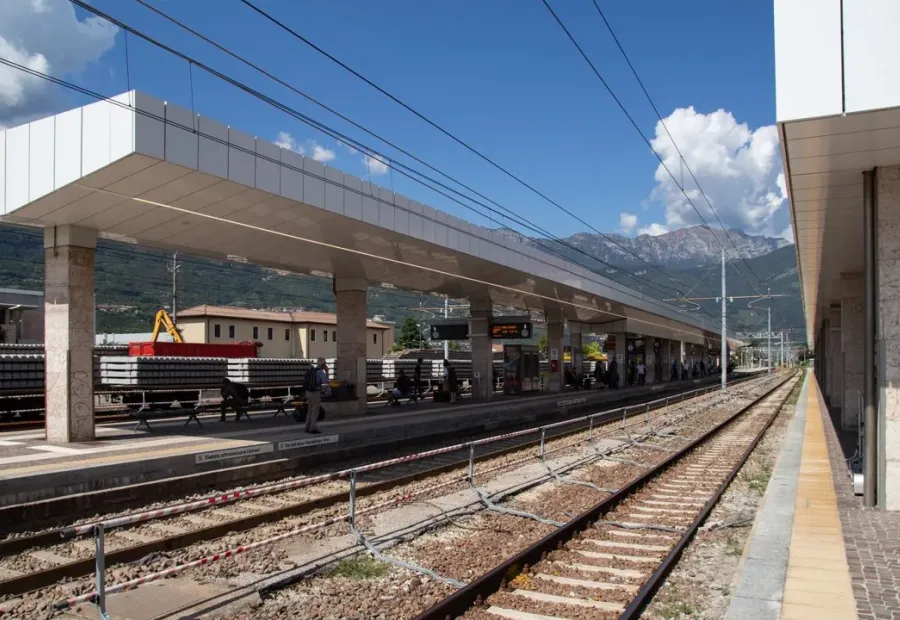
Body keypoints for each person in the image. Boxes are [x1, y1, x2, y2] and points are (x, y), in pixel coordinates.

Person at [305, 357, 330, 434]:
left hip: (308, 392)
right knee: (315, 411)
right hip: (315, 393)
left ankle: (306, 427)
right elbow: (325, 381)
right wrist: (327, 372)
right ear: (323, 364)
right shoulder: (320, 371)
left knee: (309, 410)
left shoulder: (312, 370)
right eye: (325, 363)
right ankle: (312, 428)